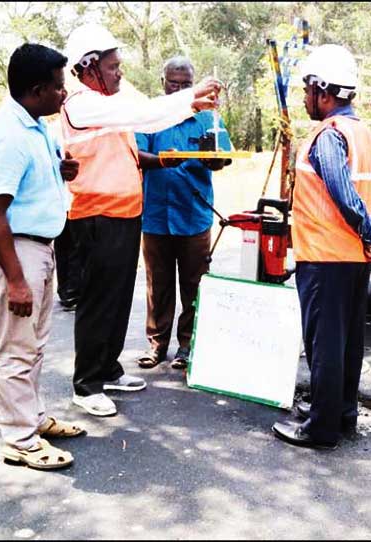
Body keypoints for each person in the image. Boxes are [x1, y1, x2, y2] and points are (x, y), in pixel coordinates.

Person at [59, 24, 222, 417]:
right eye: (113, 67)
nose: (120, 74)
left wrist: (191, 103)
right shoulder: (82, 103)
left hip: (125, 213)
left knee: (116, 300)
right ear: (90, 66)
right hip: (96, 215)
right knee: (99, 300)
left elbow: (143, 115)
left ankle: (108, 368)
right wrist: (191, 98)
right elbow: (144, 114)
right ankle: (87, 384)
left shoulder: (108, 97)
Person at [271, 44, 371, 450]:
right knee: (347, 342)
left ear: (324, 92)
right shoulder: (365, 135)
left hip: (324, 257)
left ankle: (320, 429)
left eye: (307, 91)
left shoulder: (328, 136)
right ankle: (342, 415)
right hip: (353, 259)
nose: (305, 99)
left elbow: (343, 193)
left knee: (323, 344)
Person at [0, 43, 84, 470]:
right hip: (15, 250)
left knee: (34, 343)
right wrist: (16, 280)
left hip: (37, 246)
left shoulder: (35, 126)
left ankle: (33, 418)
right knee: (18, 347)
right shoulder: (9, 135)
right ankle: (19, 439)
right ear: (37, 89)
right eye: (59, 87)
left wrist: (60, 173)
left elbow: (26, 184)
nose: (64, 94)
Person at [134, 56, 233, 371]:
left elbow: (223, 156)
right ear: (163, 83)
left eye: (185, 85)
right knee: (158, 284)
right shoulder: (150, 116)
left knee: (194, 285)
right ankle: (157, 345)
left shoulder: (208, 116)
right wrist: (161, 161)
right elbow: (135, 154)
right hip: (155, 215)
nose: (178, 89)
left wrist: (213, 160)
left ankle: (188, 345)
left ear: (194, 86)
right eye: (173, 84)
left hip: (193, 215)